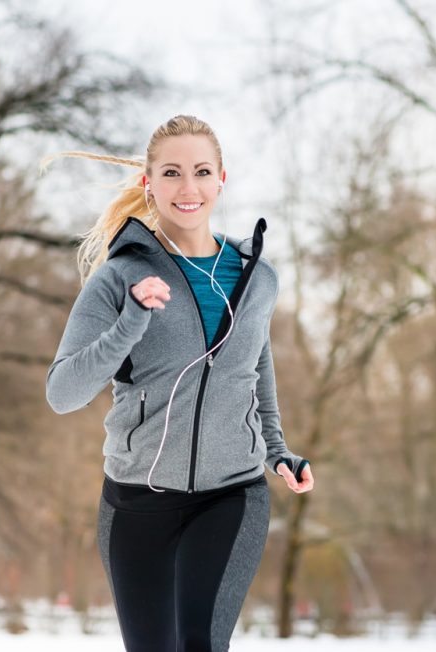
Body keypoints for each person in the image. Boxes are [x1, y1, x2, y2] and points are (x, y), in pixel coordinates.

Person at [43, 114, 313, 652]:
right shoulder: (120, 276)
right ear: (149, 183)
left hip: (231, 494)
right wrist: (130, 323)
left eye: (201, 171)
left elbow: (254, 364)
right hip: (134, 501)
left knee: (199, 642)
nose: (187, 188)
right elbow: (62, 392)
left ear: (221, 180)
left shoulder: (257, 277)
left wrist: (277, 450)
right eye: (170, 173)